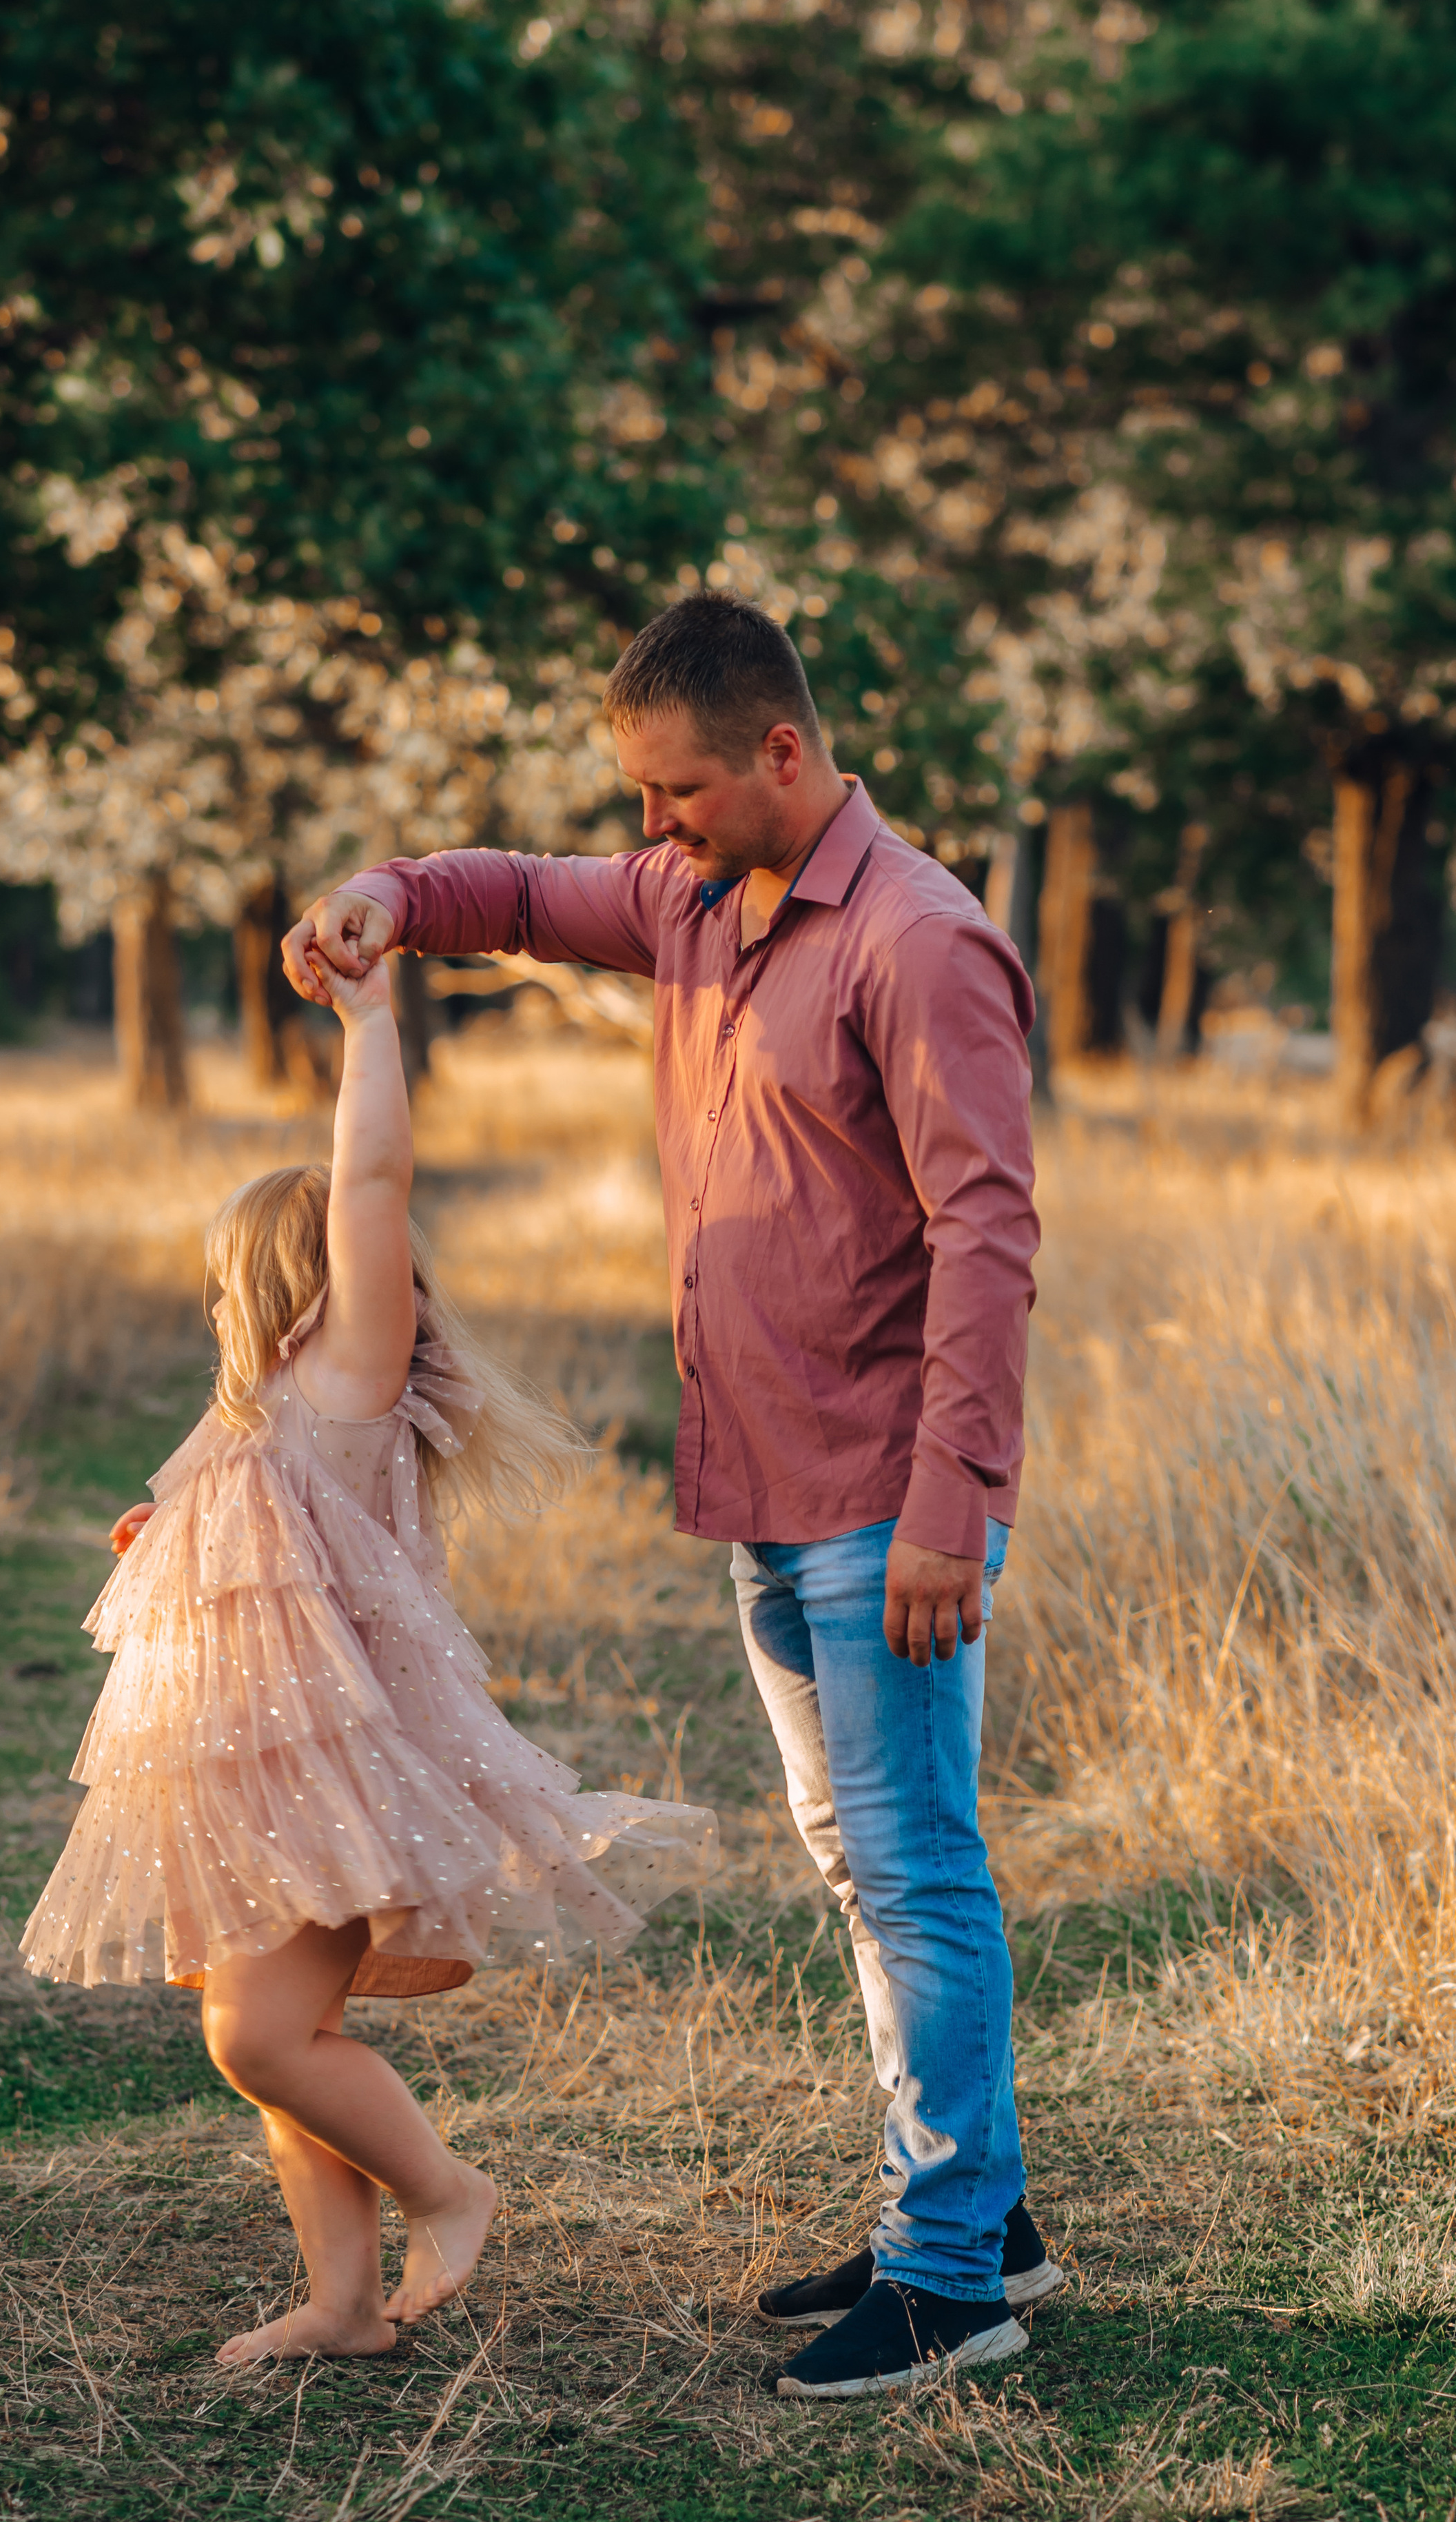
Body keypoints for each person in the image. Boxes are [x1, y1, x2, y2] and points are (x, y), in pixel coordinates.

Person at [283, 589, 1060, 2401]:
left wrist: (951, 1499)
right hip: (765, 1489)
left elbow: (988, 1234)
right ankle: (980, 2208)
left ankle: (951, 2282)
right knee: (859, 1861)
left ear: (783, 751)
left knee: (913, 1872)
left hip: (884, 1500)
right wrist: (387, 890)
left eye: (679, 791)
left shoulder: (919, 941)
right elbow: (512, 893)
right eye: (638, 795)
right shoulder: (695, 898)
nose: (650, 826)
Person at [19, 949, 717, 2366]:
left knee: (263, 2040)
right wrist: (167, 1536)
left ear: (288, 1281)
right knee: (275, 2048)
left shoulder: (349, 1377)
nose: (216, 1308)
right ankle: (342, 2308)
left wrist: (371, 1019)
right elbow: (249, 1535)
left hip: (329, 1781)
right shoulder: (259, 1418)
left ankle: (448, 2191)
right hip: (244, 1779)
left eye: (224, 1283)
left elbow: (375, 1181)